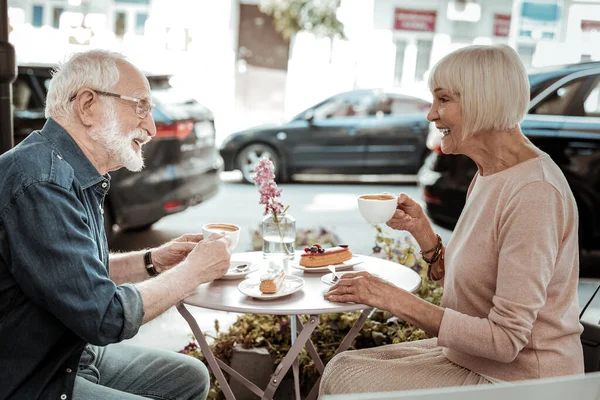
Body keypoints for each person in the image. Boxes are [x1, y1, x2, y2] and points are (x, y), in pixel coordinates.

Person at [320, 44, 584, 396]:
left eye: (443, 100)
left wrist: (392, 298)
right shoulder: (491, 173)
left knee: (347, 382)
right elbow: (474, 290)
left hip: (522, 380)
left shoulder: (535, 193)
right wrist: (424, 235)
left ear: (482, 101)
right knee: (341, 368)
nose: (431, 114)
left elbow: (505, 341)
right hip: (473, 359)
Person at [0, 50, 232, 400]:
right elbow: (104, 316)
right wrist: (193, 273)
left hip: (71, 353)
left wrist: (153, 260)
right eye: (140, 106)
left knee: (190, 376)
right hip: (30, 376)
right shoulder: (42, 182)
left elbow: (75, 274)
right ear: (88, 105)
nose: (151, 128)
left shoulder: (67, 169)